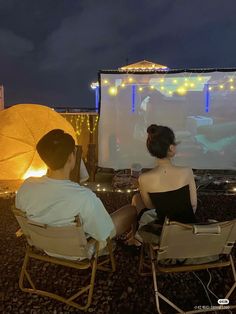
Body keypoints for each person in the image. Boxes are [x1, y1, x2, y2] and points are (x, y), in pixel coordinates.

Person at [15, 129, 137, 258]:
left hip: (43, 245)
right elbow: (104, 233)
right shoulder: (84, 197)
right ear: (70, 157)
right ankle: (132, 241)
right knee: (131, 210)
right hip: (78, 252)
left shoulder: (27, 186)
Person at [132, 124, 197, 238]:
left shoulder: (143, 179)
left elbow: (150, 206)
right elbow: (193, 204)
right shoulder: (187, 171)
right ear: (171, 148)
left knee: (136, 199)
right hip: (189, 232)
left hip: (164, 235)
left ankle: (135, 237)